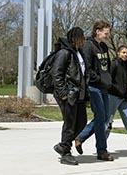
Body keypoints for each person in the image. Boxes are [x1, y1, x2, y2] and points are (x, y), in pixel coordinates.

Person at [75, 20, 113, 161]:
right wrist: (100, 80)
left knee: (103, 118)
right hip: (94, 87)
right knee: (101, 118)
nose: (108, 36)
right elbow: (88, 70)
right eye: (106, 33)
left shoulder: (104, 47)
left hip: (104, 87)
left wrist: (108, 81)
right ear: (97, 31)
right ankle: (102, 151)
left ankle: (81, 137)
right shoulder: (88, 47)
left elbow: (106, 67)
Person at [52, 26, 88, 166]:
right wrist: (63, 94)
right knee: (70, 124)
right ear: (74, 38)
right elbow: (57, 74)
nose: (84, 40)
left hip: (79, 94)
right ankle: (65, 152)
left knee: (82, 122)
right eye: (82, 37)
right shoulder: (64, 53)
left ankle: (62, 145)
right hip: (68, 94)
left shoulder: (79, 53)